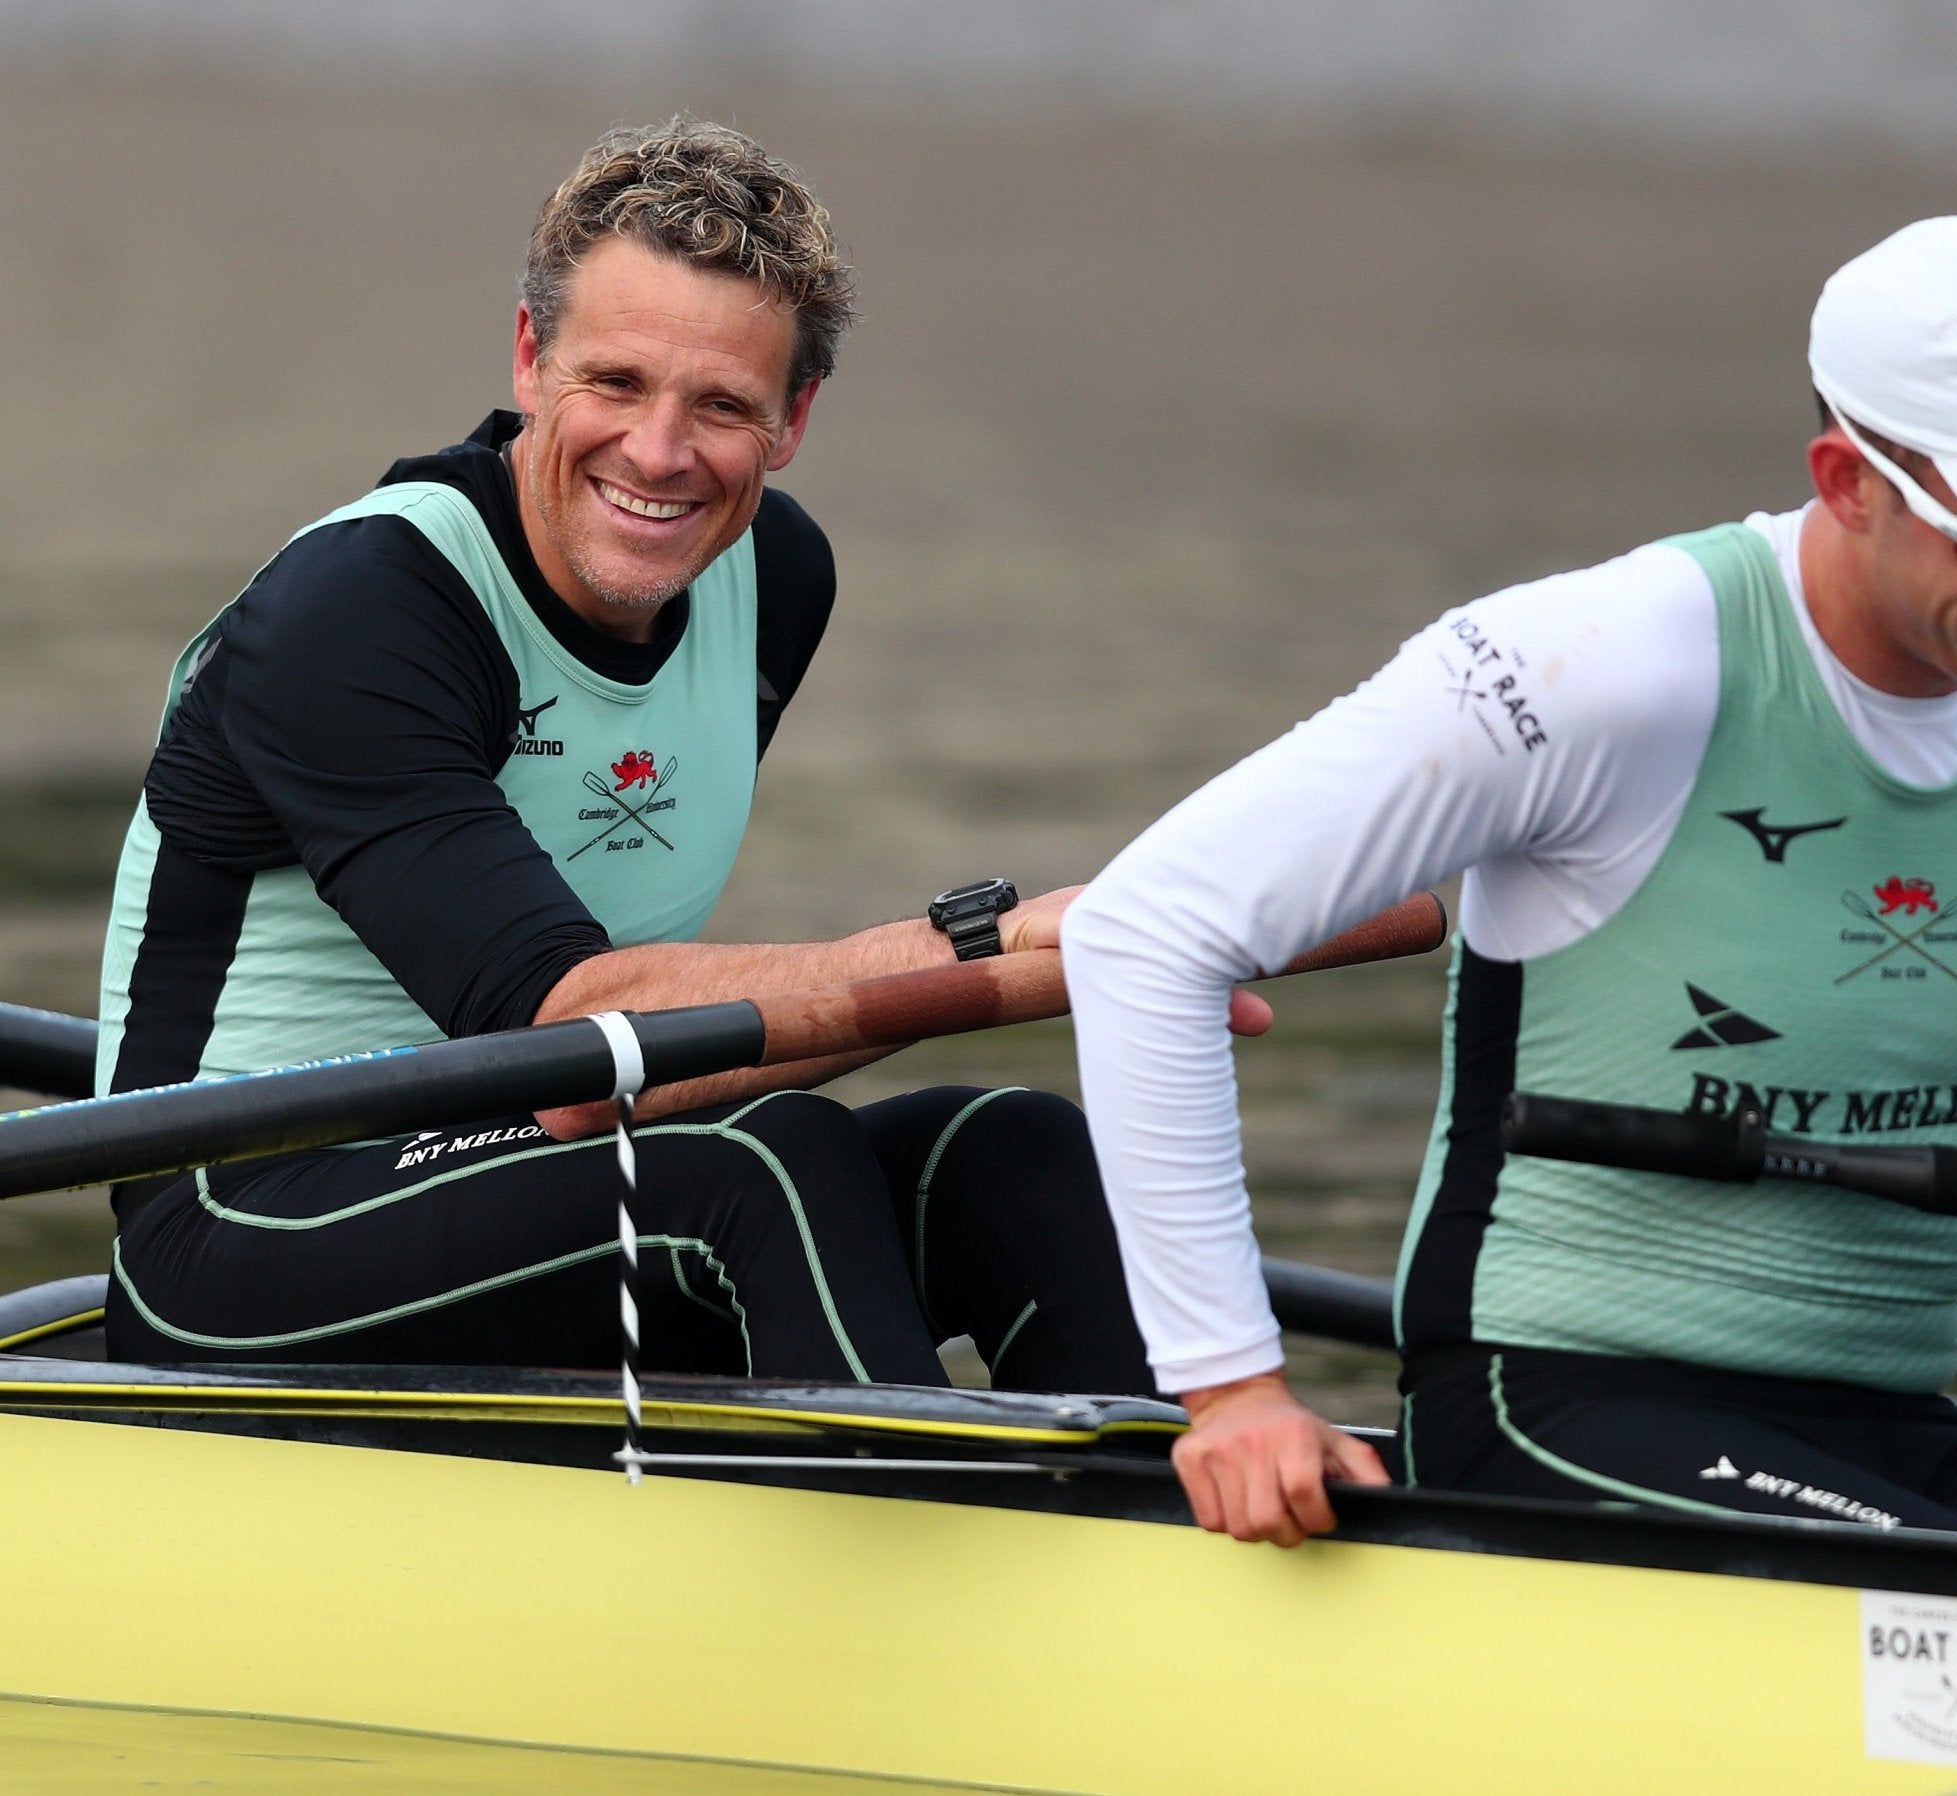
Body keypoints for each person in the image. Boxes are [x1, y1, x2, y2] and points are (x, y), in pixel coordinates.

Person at [1061, 216, 1957, 1550]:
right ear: (1844, 478)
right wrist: (1230, 1389)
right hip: (1551, 1409)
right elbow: (1145, 932)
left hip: (1889, 1416)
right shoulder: (1597, 664)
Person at [95, 119, 1230, 1391]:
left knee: (1009, 1147)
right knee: (763, 1164)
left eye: (723, 405)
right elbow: (578, 1051)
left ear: (793, 418)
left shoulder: (778, 578)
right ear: (530, 358)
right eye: (617, 383)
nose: (658, 453)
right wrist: (989, 947)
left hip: (518, 1175)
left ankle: (1170, 1507)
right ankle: (900, 1536)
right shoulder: (360, 608)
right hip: (244, 1221)